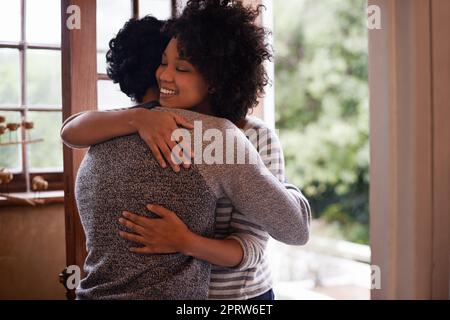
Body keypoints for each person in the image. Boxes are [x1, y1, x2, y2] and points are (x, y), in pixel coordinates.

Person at [62, 0, 310, 300]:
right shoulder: (146, 122)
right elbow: (72, 130)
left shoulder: (244, 136)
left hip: (238, 296)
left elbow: (265, 239)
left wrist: (185, 241)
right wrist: (138, 116)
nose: (164, 76)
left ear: (216, 82)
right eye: (163, 63)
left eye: (181, 68)